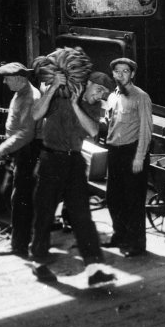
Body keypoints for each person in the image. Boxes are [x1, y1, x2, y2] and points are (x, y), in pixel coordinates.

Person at [29, 70, 117, 286]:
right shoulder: (59, 96)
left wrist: (77, 104)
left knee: (82, 217)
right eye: (98, 89)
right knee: (44, 213)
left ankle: (95, 270)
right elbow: (35, 114)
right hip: (51, 159)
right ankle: (39, 263)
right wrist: (52, 89)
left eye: (104, 93)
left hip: (75, 162)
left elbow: (94, 130)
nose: (100, 96)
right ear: (87, 84)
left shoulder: (93, 106)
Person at [103, 57, 153, 257]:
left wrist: (139, 157)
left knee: (133, 200)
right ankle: (119, 236)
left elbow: (146, 130)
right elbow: (110, 122)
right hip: (115, 152)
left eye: (125, 71)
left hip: (133, 153)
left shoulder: (141, 97)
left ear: (132, 74)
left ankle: (136, 244)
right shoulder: (112, 96)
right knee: (114, 197)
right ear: (113, 74)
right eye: (117, 71)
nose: (121, 74)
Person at [0, 62, 41, 258]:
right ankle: (22, 238)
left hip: (27, 150)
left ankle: (19, 245)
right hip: (20, 150)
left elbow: (26, 133)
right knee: (15, 194)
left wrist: (4, 147)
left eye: (7, 78)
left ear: (20, 79)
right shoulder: (22, 92)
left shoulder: (30, 97)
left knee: (20, 198)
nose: (4, 82)